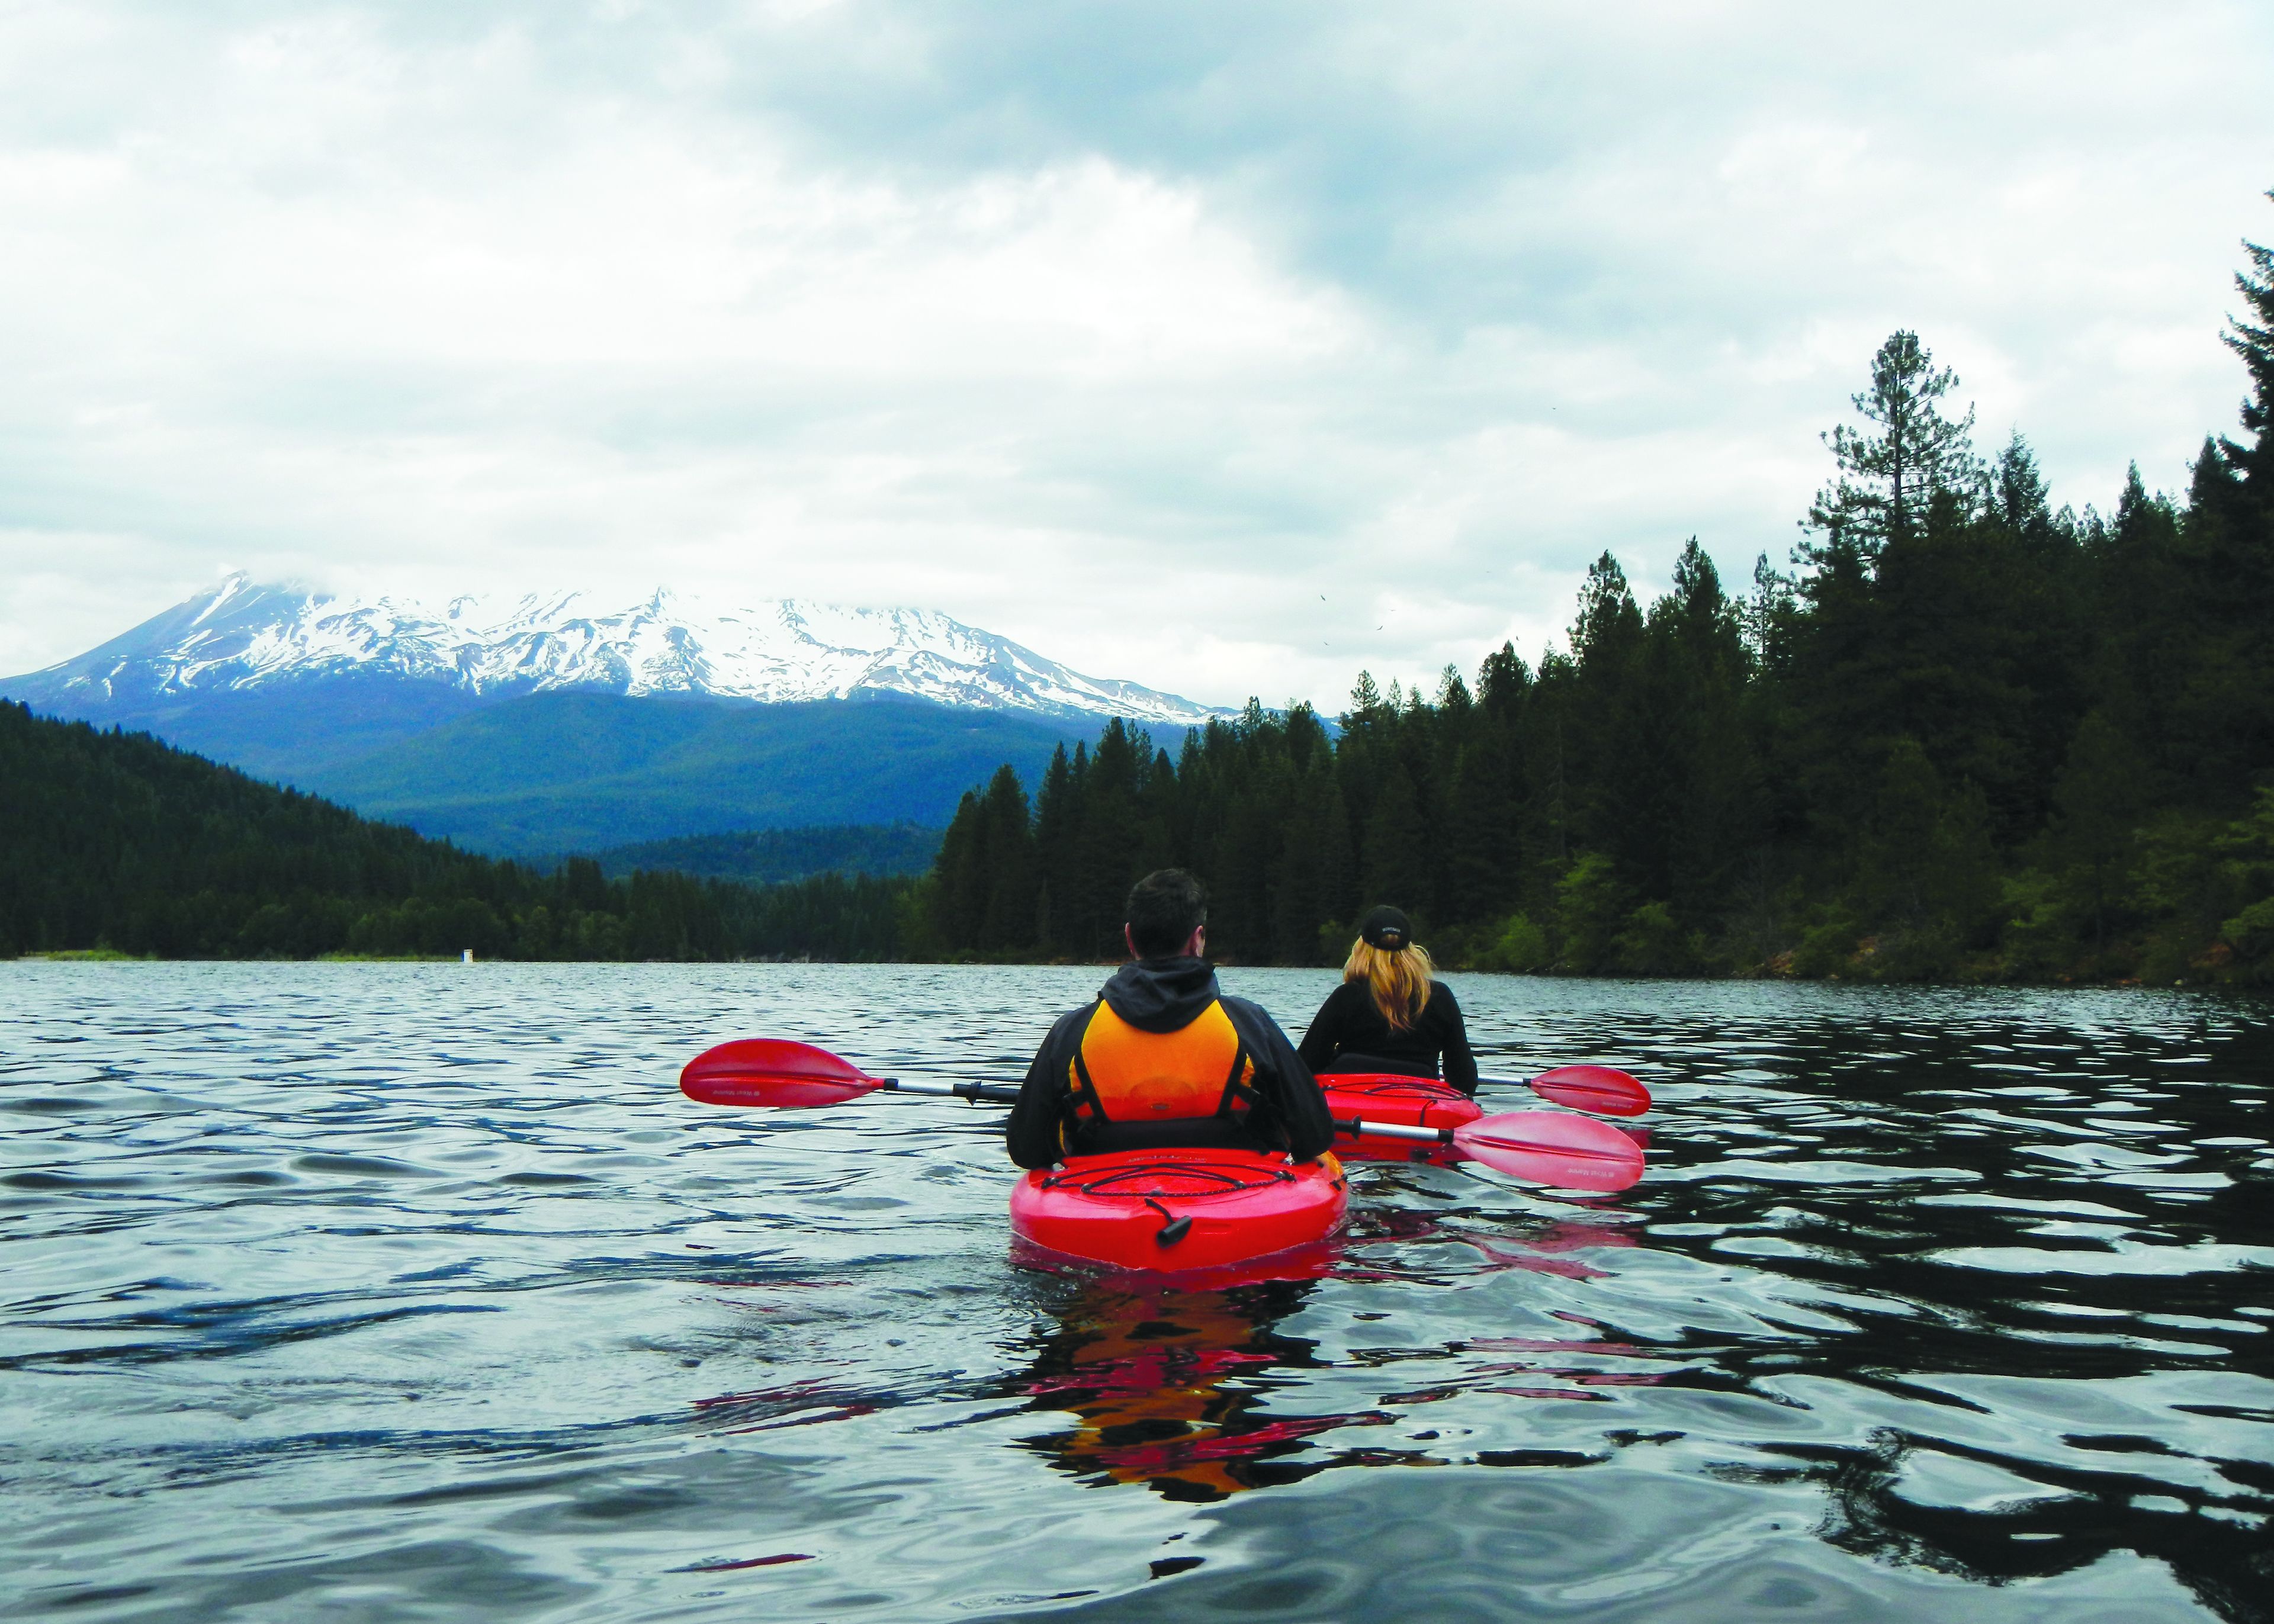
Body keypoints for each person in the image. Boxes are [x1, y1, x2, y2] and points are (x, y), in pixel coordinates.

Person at [1007, 869, 1337, 1169]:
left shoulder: (1073, 1031)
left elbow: (1027, 1150)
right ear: (1197, 939)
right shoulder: (1249, 1023)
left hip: (1102, 1193)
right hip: (1239, 1193)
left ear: (1129, 938)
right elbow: (1315, 1134)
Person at [1297, 905, 1479, 1095]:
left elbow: (1305, 1065)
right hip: (1420, 1108)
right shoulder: (1440, 996)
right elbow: (1465, 1080)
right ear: (1411, 950)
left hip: (1350, 1105)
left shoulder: (1347, 996)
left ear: (1361, 948)